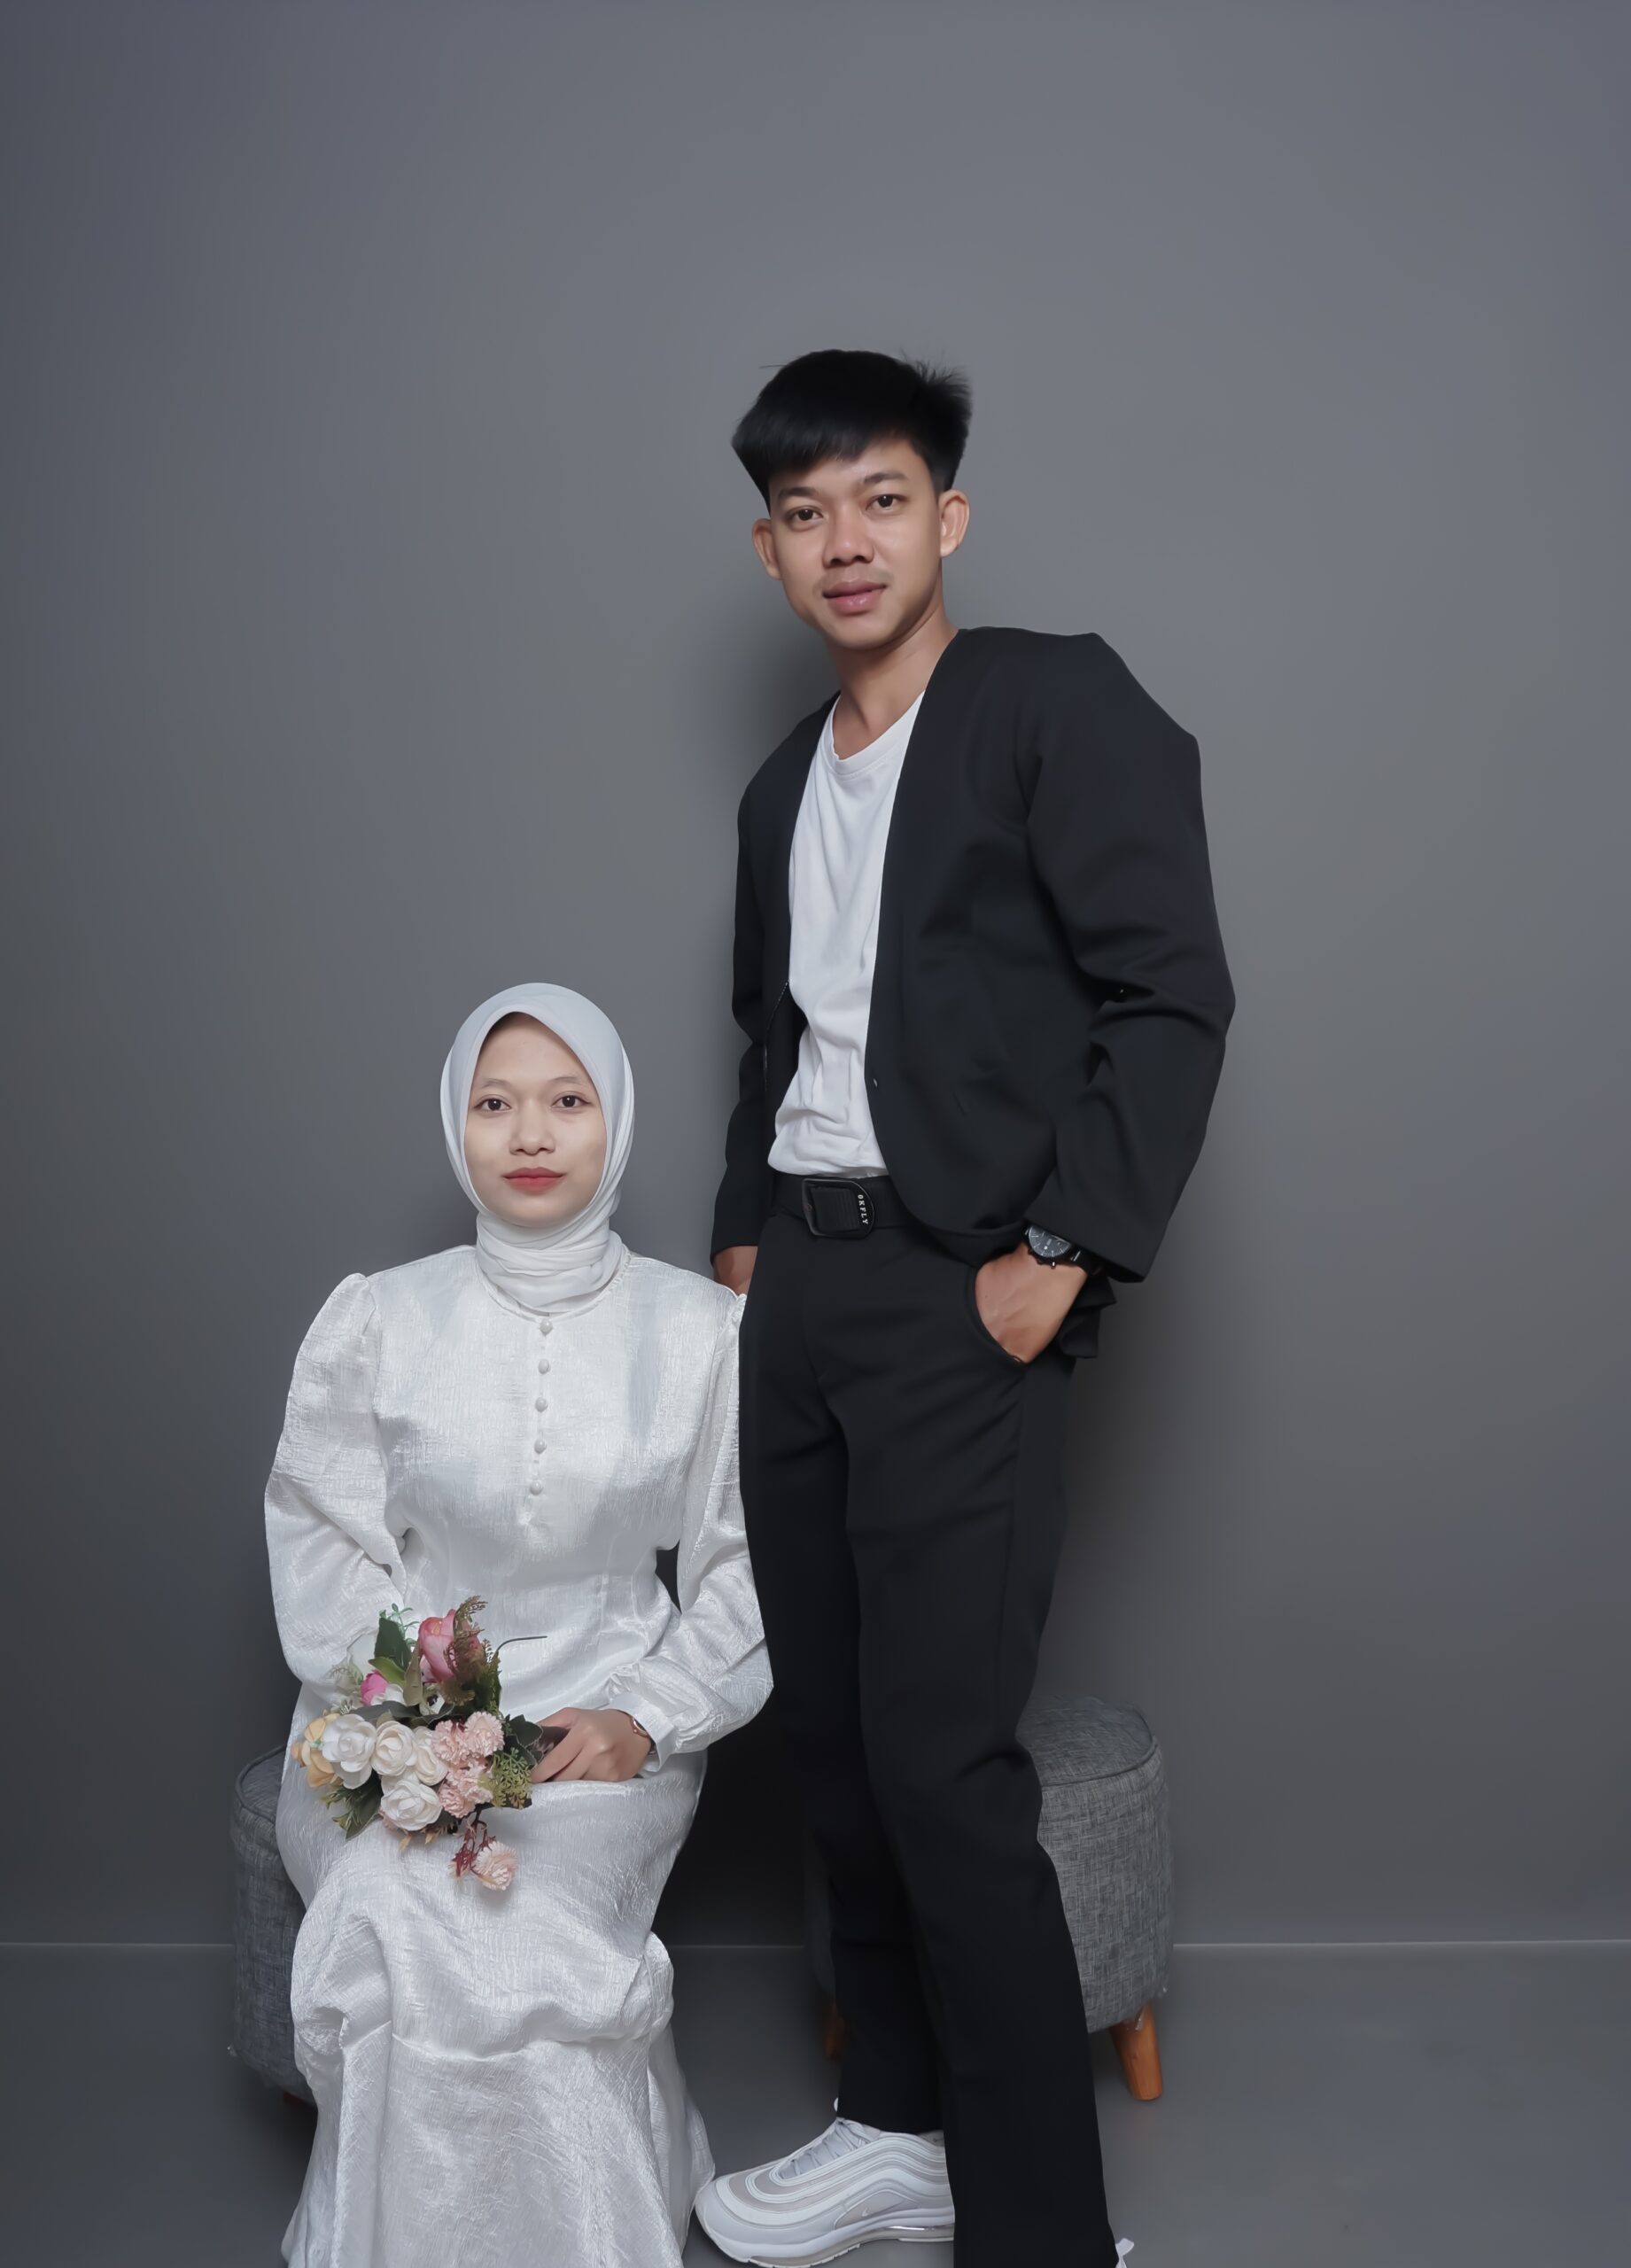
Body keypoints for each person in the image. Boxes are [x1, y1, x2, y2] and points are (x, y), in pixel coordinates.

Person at [696, 351, 1233, 2268]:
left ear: (949, 517)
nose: (846, 541)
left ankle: (1039, 2228)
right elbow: (774, 1039)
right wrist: (745, 1242)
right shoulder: (781, 787)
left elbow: (1170, 992)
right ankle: (895, 2129)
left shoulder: (1045, 702)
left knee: (940, 1759)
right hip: (802, 1297)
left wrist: (1060, 1251)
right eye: (806, 513)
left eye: (882, 499)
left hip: (963, 1292)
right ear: (768, 551)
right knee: (832, 1749)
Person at [266, 982, 770, 2268]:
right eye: (495, 1104)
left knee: (529, 1931)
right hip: (388, 1723)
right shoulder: (381, 1317)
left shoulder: (702, 1332)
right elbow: (322, 1540)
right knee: (401, 1910)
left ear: (616, 1121)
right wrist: (420, 1720)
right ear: (456, 1121)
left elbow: (744, 1567)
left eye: (566, 1101)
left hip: (605, 1723)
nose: (530, 1134)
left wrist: (645, 1717)